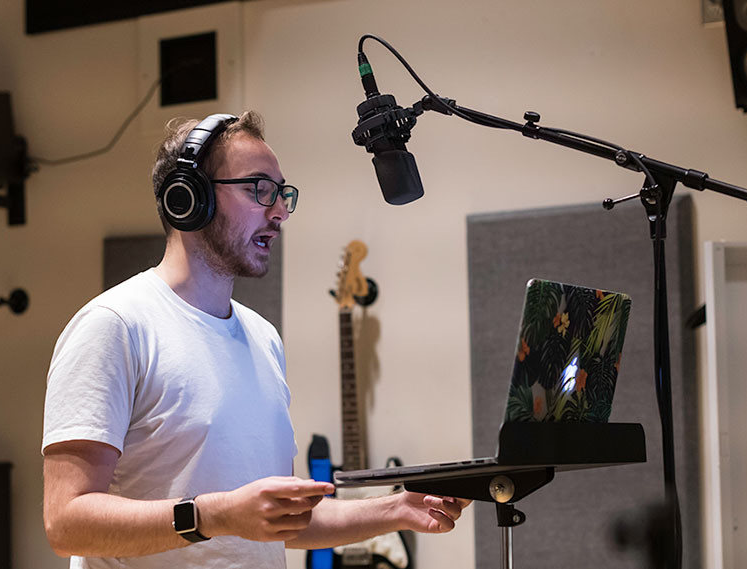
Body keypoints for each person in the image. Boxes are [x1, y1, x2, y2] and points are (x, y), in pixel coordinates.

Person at [42, 111, 468, 568]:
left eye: (283, 193)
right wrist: (213, 515)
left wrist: (397, 507)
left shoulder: (263, 338)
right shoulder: (115, 326)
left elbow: (281, 522)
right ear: (190, 198)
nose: (280, 210)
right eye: (259, 188)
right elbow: (66, 523)